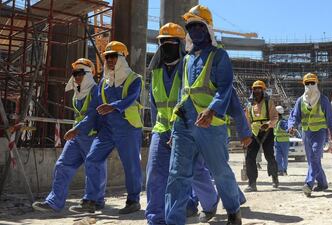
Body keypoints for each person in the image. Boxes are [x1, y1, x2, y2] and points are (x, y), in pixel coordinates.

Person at [164, 5, 242, 225]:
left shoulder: (219, 56)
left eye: (198, 26)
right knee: (177, 174)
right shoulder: (187, 60)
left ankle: (233, 211)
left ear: (208, 28)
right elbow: (184, 92)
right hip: (184, 123)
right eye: (190, 27)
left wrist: (212, 110)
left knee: (220, 172)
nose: (194, 30)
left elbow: (225, 88)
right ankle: (173, 221)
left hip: (210, 124)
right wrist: (174, 126)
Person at [146, 22, 219, 224]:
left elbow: (189, 100)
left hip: (186, 128)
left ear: (180, 43)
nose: (166, 46)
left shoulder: (190, 66)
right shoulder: (156, 72)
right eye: (163, 43)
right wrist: (155, 128)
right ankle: (156, 219)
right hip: (161, 129)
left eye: (171, 42)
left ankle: (210, 202)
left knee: (194, 171)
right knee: (155, 174)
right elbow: (154, 104)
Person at [66, 41, 143, 214]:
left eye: (113, 56)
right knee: (92, 158)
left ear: (122, 58)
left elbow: (131, 98)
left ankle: (133, 200)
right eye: (107, 57)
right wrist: (78, 128)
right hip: (108, 129)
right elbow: (93, 112)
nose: (109, 60)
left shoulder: (134, 79)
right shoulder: (103, 84)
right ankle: (92, 201)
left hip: (128, 127)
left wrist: (113, 106)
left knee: (131, 165)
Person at [32, 58, 106, 212]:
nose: (76, 76)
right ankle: (54, 202)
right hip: (78, 136)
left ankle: (93, 202)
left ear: (88, 74)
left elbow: (93, 114)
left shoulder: (96, 91)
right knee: (62, 165)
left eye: (80, 73)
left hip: (91, 136)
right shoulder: (77, 94)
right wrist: (77, 131)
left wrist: (76, 129)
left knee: (94, 168)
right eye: (74, 73)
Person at [287, 73, 332, 197]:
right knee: (312, 160)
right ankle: (322, 183)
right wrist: (291, 126)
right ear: (304, 85)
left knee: (315, 156)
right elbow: (294, 116)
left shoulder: (323, 100)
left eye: (312, 83)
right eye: (307, 83)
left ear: (316, 84)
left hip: (320, 133)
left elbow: (330, 118)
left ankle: (309, 184)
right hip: (306, 133)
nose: (310, 85)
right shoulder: (300, 101)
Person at [244, 80, 279, 192]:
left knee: (269, 156)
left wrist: (268, 124)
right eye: (255, 89)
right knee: (249, 158)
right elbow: (247, 120)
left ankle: (274, 177)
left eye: (259, 89)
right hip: (253, 133)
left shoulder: (269, 102)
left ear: (263, 91)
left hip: (267, 132)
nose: (257, 91)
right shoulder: (249, 104)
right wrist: (245, 135)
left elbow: (275, 117)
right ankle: (252, 183)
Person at [274, 105, 290, 176]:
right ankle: (280, 170)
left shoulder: (283, 122)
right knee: (278, 156)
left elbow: (287, 128)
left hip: (284, 142)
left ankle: (284, 170)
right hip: (277, 141)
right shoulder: (276, 122)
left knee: (284, 156)